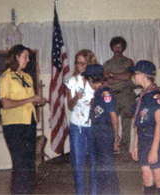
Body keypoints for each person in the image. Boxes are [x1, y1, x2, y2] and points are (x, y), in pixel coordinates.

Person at [0, 44, 48, 194]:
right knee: (20, 164)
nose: (28, 59)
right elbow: (6, 103)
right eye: (25, 56)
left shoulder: (27, 77)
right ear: (16, 57)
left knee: (29, 163)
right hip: (14, 125)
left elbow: (28, 99)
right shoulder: (6, 77)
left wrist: (38, 101)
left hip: (28, 122)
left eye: (28, 57)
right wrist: (29, 99)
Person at [131, 60, 160, 195]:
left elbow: (159, 124)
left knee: (159, 178)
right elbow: (137, 123)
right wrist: (135, 146)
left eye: (135, 73)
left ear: (143, 75)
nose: (133, 76)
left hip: (154, 139)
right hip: (143, 139)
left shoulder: (155, 96)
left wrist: (154, 149)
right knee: (146, 176)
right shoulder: (139, 97)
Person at [82, 64, 120, 195]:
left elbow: (113, 115)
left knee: (107, 168)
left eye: (88, 80)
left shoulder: (105, 93)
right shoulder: (98, 94)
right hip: (97, 134)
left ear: (92, 79)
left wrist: (116, 136)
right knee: (101, 169)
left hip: (104, 133)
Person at [64, 49, 98, 195]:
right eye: (77, 63)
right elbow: (70, 106)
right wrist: (76, 98)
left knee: (94, 163)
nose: (79, 67)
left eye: (83, 64)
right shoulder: (72, 81)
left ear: (90, 64)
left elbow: (103, 102)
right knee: (78, 163)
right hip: (77, 125)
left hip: (93, 126)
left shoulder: (96, 81)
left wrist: (94, 103)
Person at [103, 36, 136, 152]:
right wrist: (119, 77)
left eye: (119, 47)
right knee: (111, 123)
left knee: (126, 123)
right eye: (115, 47)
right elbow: (106, 80)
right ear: (112, 48)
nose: (117, 49)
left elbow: (127, 76)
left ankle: (125, 150)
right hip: (112, 96)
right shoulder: (107, 64)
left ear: (123, 48)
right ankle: (113, 147)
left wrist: (112, 76)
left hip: (126, 96)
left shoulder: (129, 62)